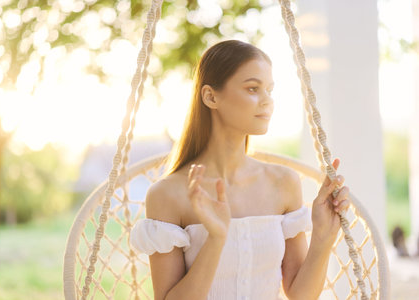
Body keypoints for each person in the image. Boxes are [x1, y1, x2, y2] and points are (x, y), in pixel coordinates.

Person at [130, 39, 350, 300]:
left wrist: (323, 237)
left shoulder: (284, 183)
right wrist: (216, 237)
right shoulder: (169, 194)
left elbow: (301, 295)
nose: (267, 101)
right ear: (211, 97)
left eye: (269, 90)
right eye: (253, 88)